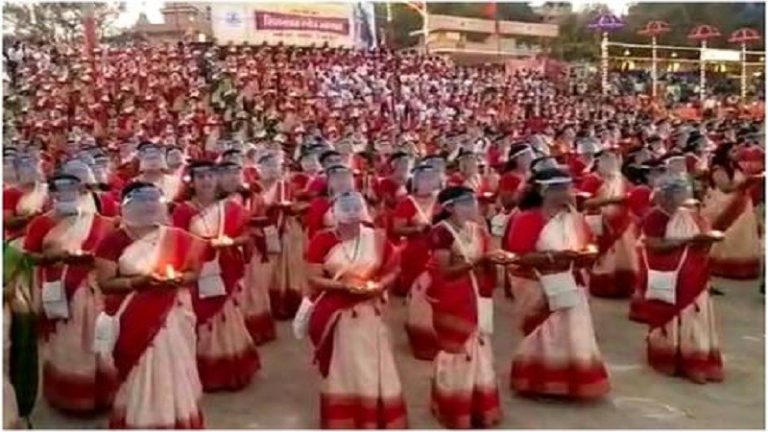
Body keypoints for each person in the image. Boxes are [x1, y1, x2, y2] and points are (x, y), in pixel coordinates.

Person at [95, 182, 206, 428]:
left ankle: (177, 417)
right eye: (140, 201)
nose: (147, 206)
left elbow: (192, 274)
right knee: (140, 369)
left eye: (152, 200)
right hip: (132, 316)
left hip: (173, 315)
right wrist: (139, 282)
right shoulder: (113, 241)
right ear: (125, 206)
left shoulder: (177, 237)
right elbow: (106, 283)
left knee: (175, 367)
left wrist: (178, 279)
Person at [505, 168, 610, 399]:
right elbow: (519, 257)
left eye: (567, 187)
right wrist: (554, 258)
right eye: (560, 188)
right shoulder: (527, 218)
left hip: (570, 282)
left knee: (573, 332)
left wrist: (585, 256)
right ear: (545, 191)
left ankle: (571, 380)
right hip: (538, 284)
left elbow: (589, 244)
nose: (567, 193)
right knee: (544, 334)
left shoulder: (574, 217)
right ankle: (537, 382)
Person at [306, 191, 407, 429]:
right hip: (338, 314)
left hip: (370, 311)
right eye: (345, 210)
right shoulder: (322, 240)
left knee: (372, 364)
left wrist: (379, 285)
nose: (351, 216)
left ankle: (375, 414)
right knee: (346, 366)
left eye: (355, 209)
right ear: (335, 213)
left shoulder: (376, 238)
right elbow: (313, 278)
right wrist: (343, 285)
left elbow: (393, 268)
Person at [22, 174, 117, 414]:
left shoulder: (97, 222)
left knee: (97, 341)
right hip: (59, 291)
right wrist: (51, 258)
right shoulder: (41, 223)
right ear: (52, 195)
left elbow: (111, 252)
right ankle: (69, 397)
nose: (67, 196)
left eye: (72, 191)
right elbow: (29, 256)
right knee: (67, 342)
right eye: (61, 191)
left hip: (93, 291)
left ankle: (102, 394)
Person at [171, 161, 260, 392]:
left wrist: (230, 242)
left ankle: (231, 367)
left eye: (210, 176)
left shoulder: (230, 208)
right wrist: (202, 247)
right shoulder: (184, 210)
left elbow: (245, 236)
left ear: (217, 179)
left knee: (226, 316)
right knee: (200, 319)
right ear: (192, 182)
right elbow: (177, 241)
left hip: (226, 267)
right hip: (198, 271)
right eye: (200, 177)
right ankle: (201, 372)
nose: (206, 181)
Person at [427, 186, 506, 429]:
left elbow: (485, 257)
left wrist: (491, 263)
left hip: (476, 293)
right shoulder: (441, 233)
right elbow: (445, 272)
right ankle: (454, 406)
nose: (473, 207)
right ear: (450, 208)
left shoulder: (477, 229)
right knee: (458, 350)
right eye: (466, 203)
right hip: (453, 299)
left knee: (479, 346)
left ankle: (478, 405)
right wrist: (478, 261)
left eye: (473, 202)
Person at [635, 176, 724, 383]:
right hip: (669, 275)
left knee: (695, 317)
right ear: (665, 196)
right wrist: (686, 242)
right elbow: (654, 246)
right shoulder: (655, 217)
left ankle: (697, 359)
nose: (682, 198)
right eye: (678, 193)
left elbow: (699, 237)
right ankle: (674, 359)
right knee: (674, 318)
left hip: (694, 274)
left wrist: (703, 241)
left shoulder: (687, 215)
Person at [391, 164, 441, 360]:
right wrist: (417, 230)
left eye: (431, 179)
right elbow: (398, 229)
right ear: (416, 182)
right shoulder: (407, 203)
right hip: (415, 253)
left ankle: (441, 335)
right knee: (419, 295)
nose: (427, 183)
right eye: (423, 179)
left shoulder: (441, 201)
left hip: (439, 252)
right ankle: (421, 336)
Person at [249, 152, 307, 320]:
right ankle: (264, 304)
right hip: (261, 232)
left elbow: (295, 206)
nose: (272, 170)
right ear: (260, 169)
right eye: (267, 166)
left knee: (286, 267)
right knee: (263, 270)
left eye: (275, 166)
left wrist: (290, 208)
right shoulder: (254, 188)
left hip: (286, 228)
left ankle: (285, 304)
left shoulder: (285, 187)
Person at [579, 148, 640, 298]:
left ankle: (625, 288)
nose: (611, 163)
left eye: (614, 160)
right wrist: (613, 200)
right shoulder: (592, 180)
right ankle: (604, 288)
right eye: (607, 160)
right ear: (599, 163)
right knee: (605, 256)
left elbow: (632, 194)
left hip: (622, 222)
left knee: (625, 256)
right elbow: (584, 203)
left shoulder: (620, 179)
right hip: (601, 222)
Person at [701, 143, 762, 280]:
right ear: (725, 153)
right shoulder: (719, 168)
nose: (737, 153)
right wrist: (747, 182)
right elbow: (725, 187)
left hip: (742, 205)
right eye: (733, 151)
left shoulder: (736, 166)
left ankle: (742, 267)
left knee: (742, 235)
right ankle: (721, 266)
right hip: (724, 205)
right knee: (727, 235)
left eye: (737, 150)